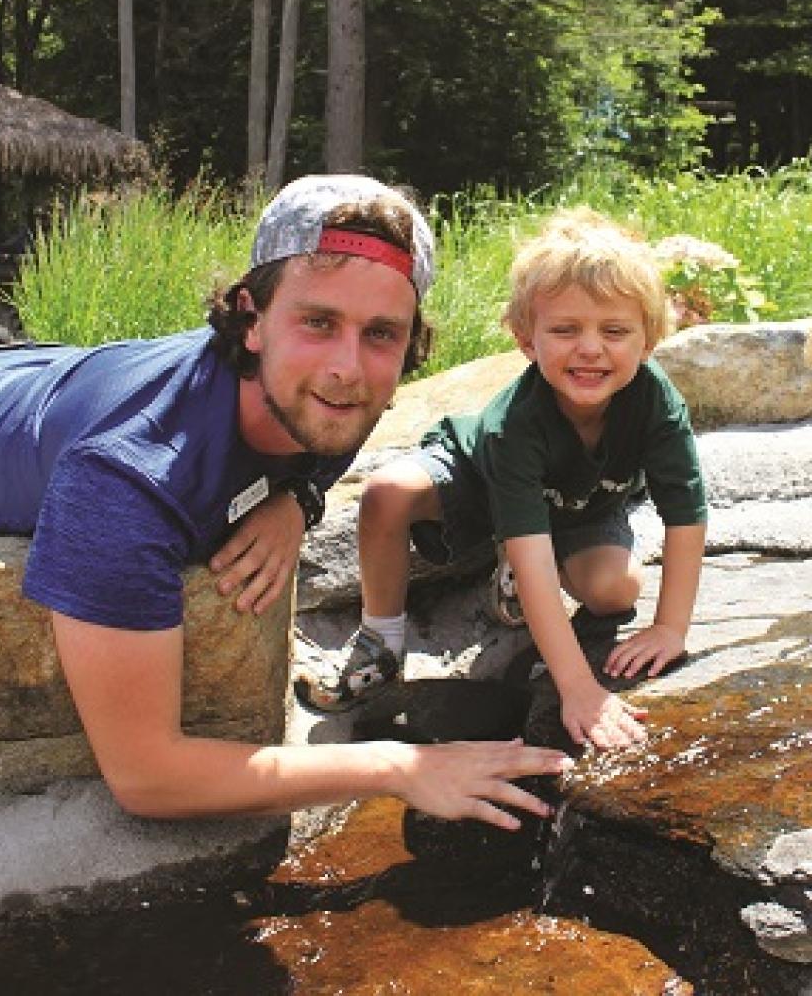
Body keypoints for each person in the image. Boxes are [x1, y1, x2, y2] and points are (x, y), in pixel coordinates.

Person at [0, 174, 572, 831]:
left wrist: (298, 497)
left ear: (409, 343)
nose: (347, 367)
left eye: (380, 333)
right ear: (249, 317)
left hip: (57, 371)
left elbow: (334, 425)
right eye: (318, 322)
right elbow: (146, 776)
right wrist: (400, 767)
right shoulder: (124, 481)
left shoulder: (327, 393)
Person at [302, 208, 709, 751]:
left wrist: (670, 629)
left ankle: (509, 582)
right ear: (525, 339)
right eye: (564, 330)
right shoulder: (514, 425)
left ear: (650, 339)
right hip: (479, 478)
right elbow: (532, 553)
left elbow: (686, 515)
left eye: (614, 331)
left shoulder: (658, 404)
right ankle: (381, 640)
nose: (590, 348)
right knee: (385, 494)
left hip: (581, 507)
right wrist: (577, 689)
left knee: (616, 591)